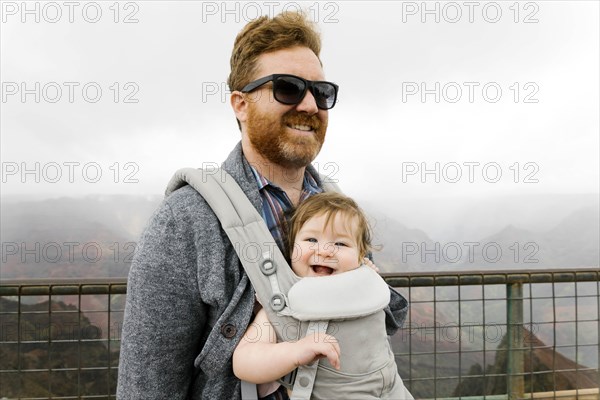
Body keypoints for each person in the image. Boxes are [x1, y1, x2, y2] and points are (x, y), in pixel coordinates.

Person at [117, 11, 408, 399]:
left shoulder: (336, 209)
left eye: (320, 92)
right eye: (287, 88)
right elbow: (147, 387)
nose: (309, 104)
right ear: (240, 104)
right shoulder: (183, 223)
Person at [233, 192, 414, 400]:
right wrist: (295, 351)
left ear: (361, 257)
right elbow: (244, 361)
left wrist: (367, 276)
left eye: (340, 244)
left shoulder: (365, 287)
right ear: (291, 249)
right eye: (311, 239)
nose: (326, 251)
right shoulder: (283, 305)